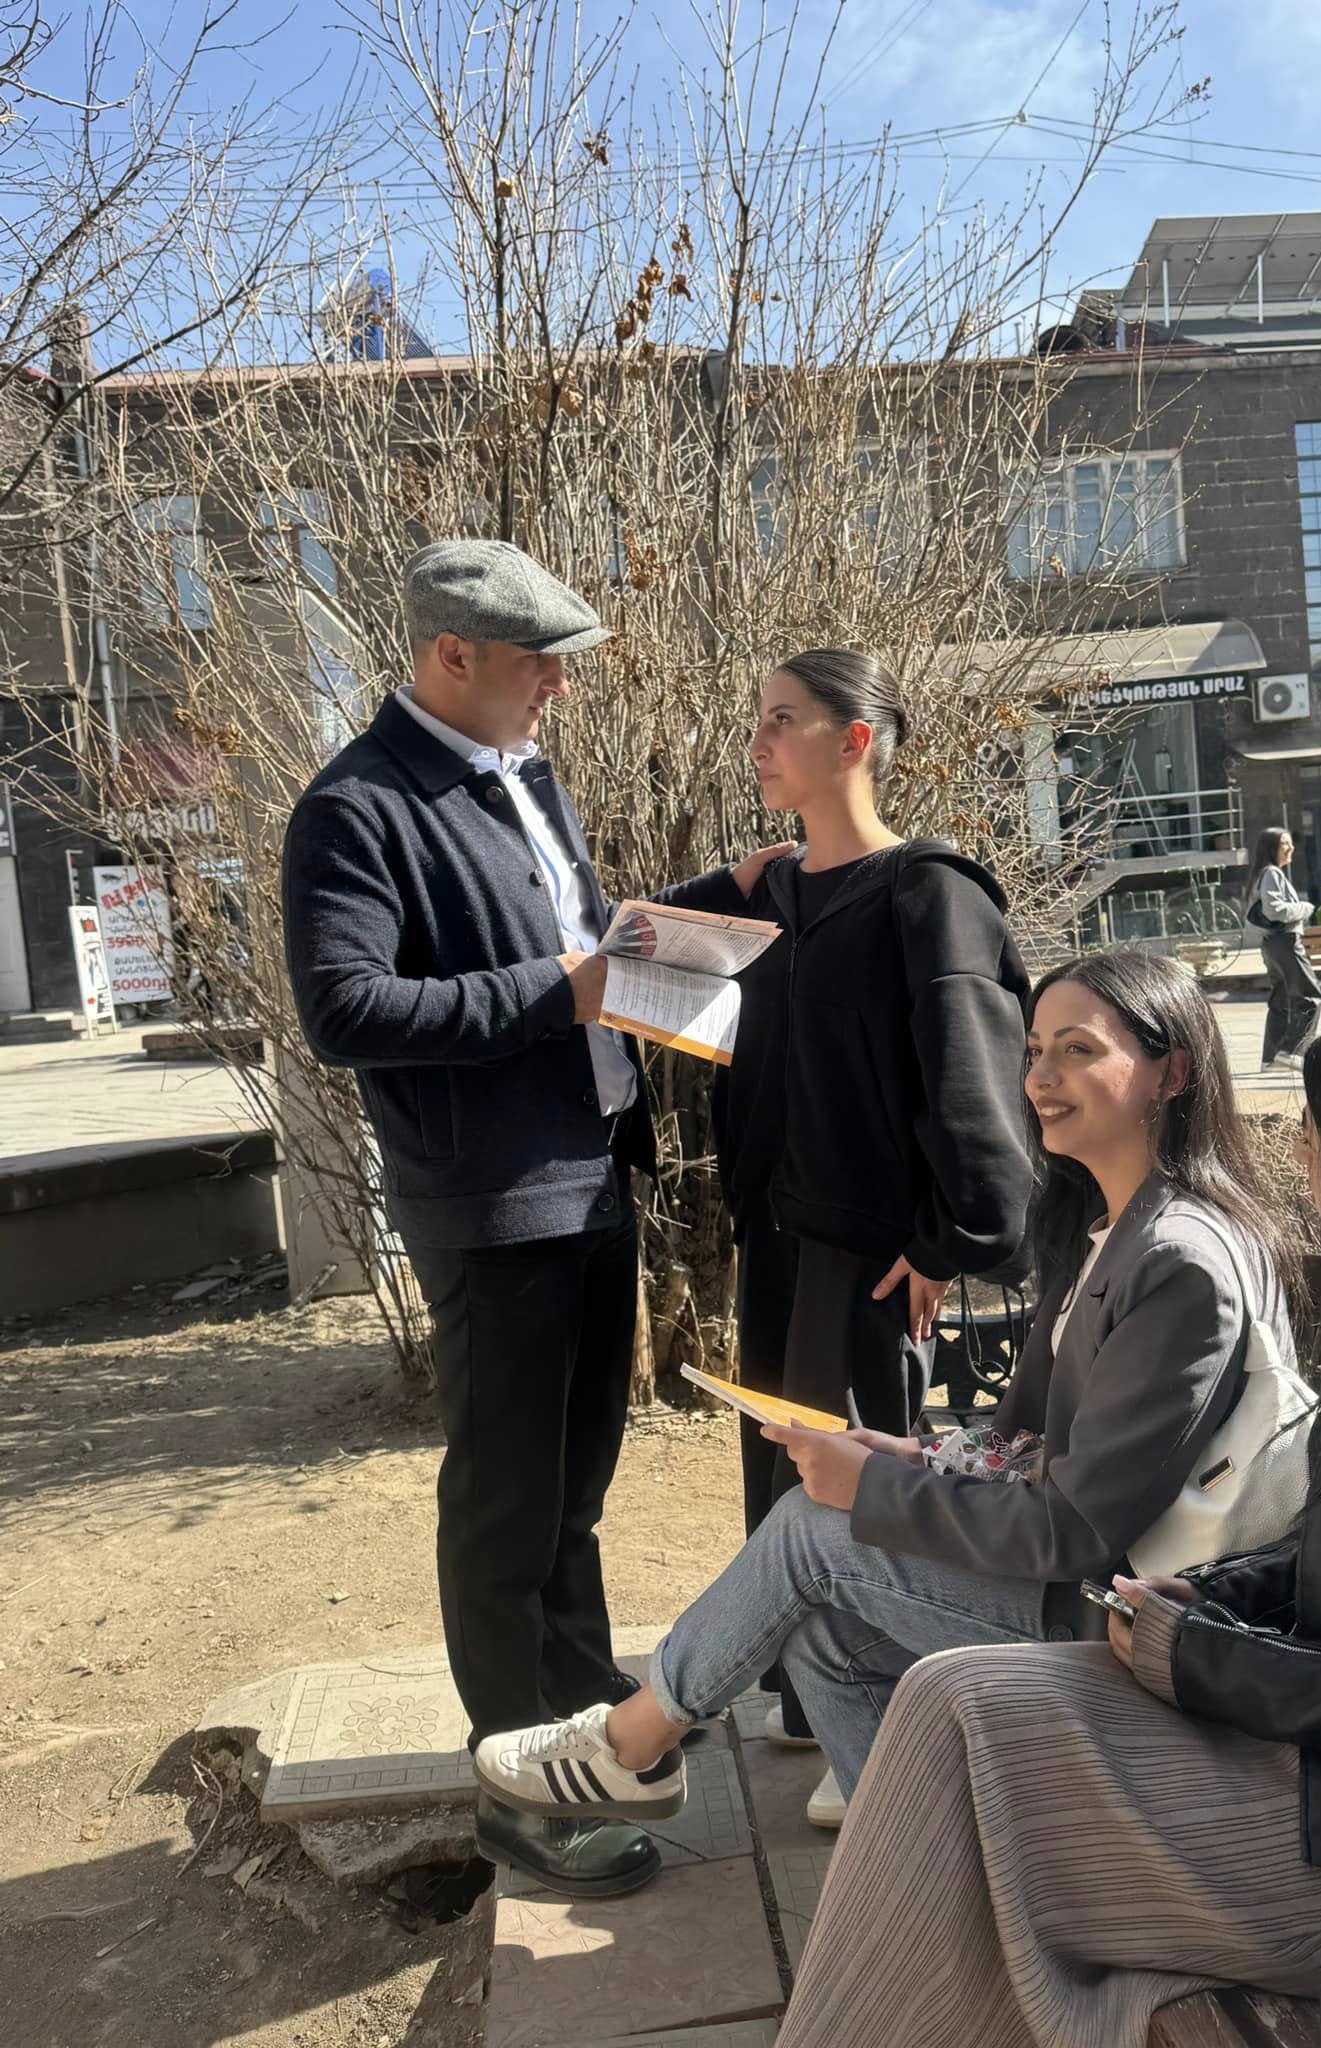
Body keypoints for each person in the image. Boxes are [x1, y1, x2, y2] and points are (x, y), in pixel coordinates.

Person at [771, 996, 1321, 2048]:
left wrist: (1213, 1661)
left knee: (964, 1803)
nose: (1296, 1156)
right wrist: (1215, 1597)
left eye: (1316, 1135)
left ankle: (645, 1748)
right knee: (953, 1701)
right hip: (1320, 1760)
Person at [469, 948, 1301, 1836]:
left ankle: (628, 1747)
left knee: (812, 1533)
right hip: (1082, 1585)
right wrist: (906, 1455)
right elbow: (1027, 1444)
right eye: (1033, 1051)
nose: (1040, 1079)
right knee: (818, 1630)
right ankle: (918, 1863)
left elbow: (1073, 1530)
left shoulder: (1179, 1262)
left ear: (1172, 1071)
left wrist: (872, 1488)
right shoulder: (1115, 1229)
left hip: (1129, 1621)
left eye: (1078, 1050)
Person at [281, 538, 786, 1898]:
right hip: (491, 1204)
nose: (558, 686)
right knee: (507, 1503)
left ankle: (583, 1712)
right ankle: (520, 1785)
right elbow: (347, 1010)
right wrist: (559, 991)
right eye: (537, 663)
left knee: (575, 1484)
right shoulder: (357, 808)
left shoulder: (521, 773)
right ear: (451, 655)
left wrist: (705, 910)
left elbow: (584, 946)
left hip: (588, 1174)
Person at [662, 648, 1036, 1763]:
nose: (758, 743)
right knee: (783, 1469)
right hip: (777, 1236)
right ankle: (804, 1703)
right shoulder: (772, 894)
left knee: (855, 1484)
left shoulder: (930, 892)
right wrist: (733, 881)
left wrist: (956, 1240)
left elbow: (974, 1077)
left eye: (783, 719)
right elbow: (638, 945)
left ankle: (883, 1728)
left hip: (872, 1254)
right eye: (758, 719)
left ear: (855, 740)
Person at [1245, 826, 1320, 1073]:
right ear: (1271, 848)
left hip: (1271, 944)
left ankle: (1271, 1059)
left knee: (1281, 1000)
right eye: (1284, 844)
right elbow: (1274, 910)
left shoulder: (1261, 874)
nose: (1291, 848)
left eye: (1290, 843)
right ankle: (1292, 1051)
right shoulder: (1272, 873)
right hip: (1285, 942)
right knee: (1310, 997)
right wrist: (1305, 908)